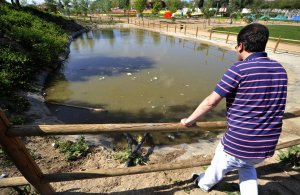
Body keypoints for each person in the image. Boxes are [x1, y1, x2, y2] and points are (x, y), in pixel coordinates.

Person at [180, 23, 287, 195]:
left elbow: (211, 102)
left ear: (241, 46)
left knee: (219, 163)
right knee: (247, 166)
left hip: (240, 143)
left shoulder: (239, 70)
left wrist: (189, 120)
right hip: (266, 145)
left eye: (236, 46)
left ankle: (203, 184)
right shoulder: (280, 69)